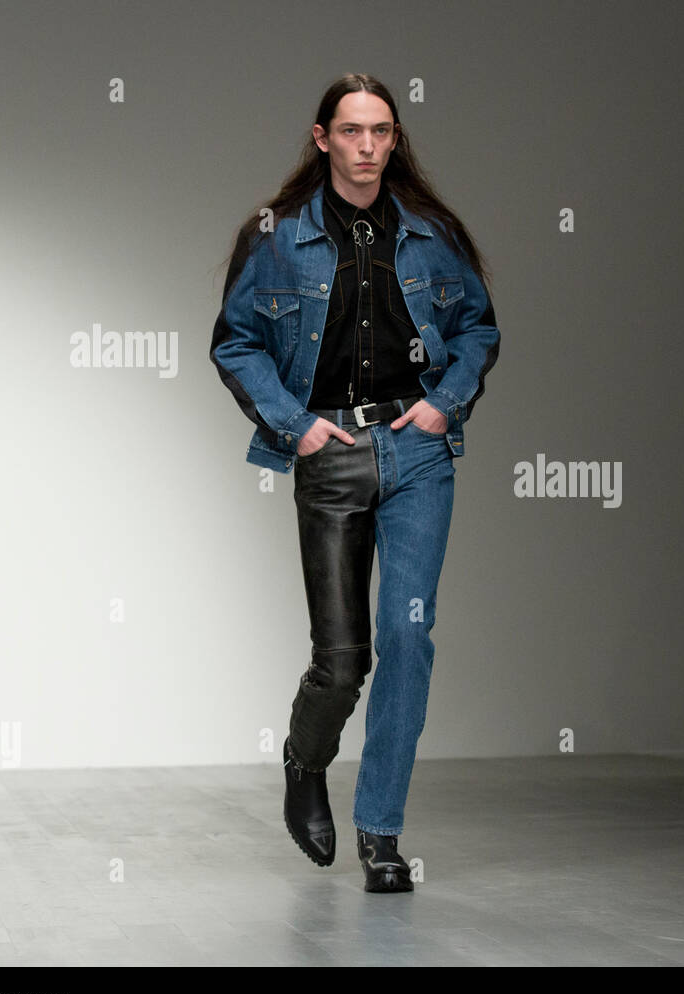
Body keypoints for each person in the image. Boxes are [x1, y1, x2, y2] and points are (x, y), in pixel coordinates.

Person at [209, 74, 500, 892]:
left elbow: (478, 325)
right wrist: (294, 424)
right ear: (322, 138)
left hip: (416, 453)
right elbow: (235, 341)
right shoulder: (276, 237)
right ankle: (306, 762)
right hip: (330, 455)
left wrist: (444, 403)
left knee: (409, 639)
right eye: (352, 130)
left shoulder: (432, 233)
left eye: (381, 130)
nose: (368, 144)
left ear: (394, 140)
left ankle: (381, 833)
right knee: (343, 662)